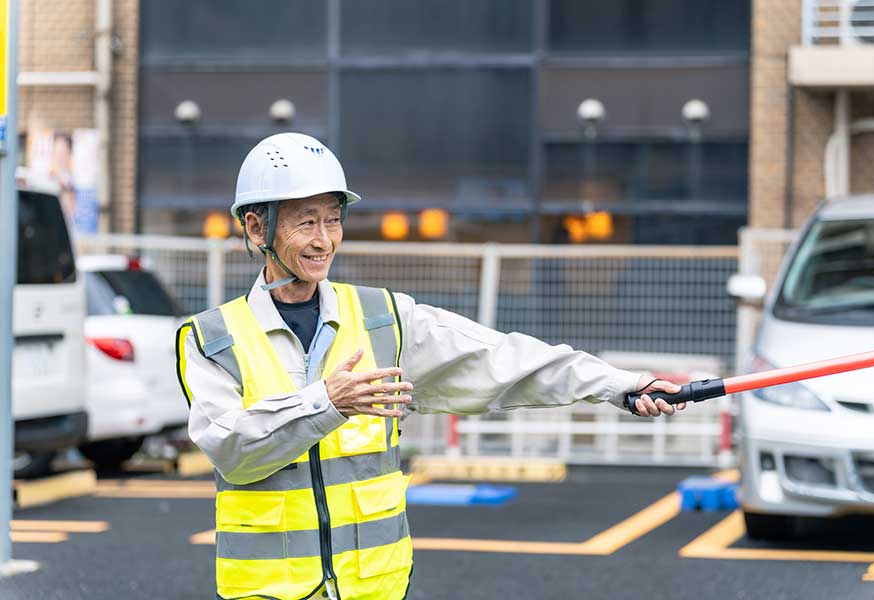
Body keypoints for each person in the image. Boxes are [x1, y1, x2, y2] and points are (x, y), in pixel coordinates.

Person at [175, 132, 685, 600]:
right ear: (256, 226)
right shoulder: (211, 339)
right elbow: (234, 452)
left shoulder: (385, 319)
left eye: (332, 219)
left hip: (375, 590)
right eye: (305, 221)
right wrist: (327, 402)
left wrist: (622, 384)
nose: (324, 239)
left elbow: (503, 359)